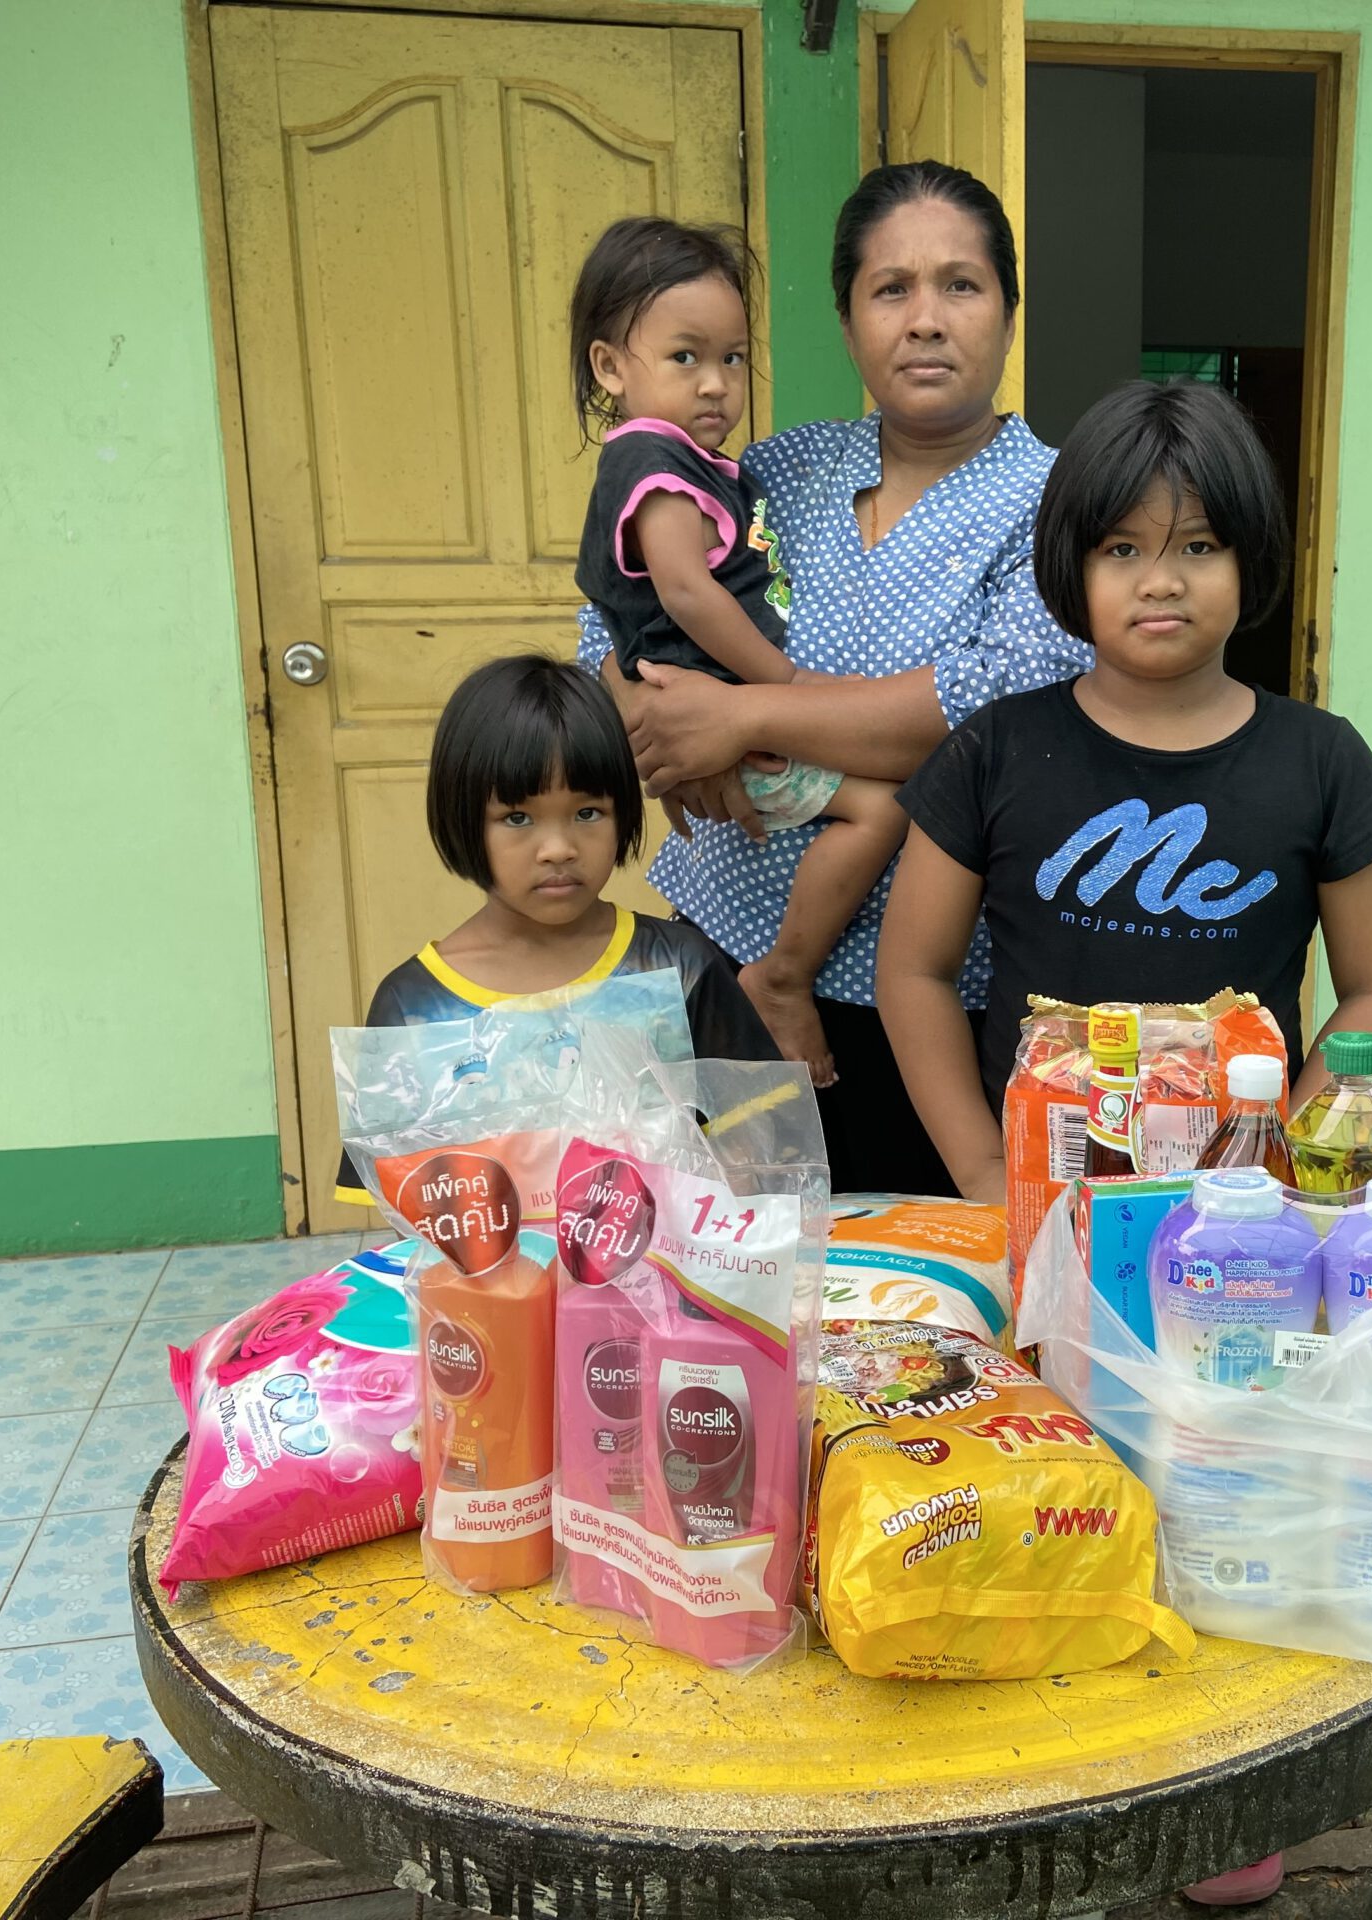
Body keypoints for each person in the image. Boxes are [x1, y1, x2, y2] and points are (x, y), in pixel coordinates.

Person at [584, 160, 1088, 1197]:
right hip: (722, 942)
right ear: (850, 323)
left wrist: (741, 719)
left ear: (1008, 312)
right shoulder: (775, 469)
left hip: (937, 987)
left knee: (917, 1270)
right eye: (889, 289)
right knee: (729, 1252)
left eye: (960, 285)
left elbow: (991, 702)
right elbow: (614, 610)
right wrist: (661, 728)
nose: (925, 320)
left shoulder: (1061, 503)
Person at [877, 380, 1372, 1207]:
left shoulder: (1322, 760)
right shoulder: (993, 751)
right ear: (1070, 564)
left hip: (1237, 1207)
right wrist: (983, 1170)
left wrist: (1284, 1159)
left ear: (1250, 557)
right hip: (1040, 1189)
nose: (1161, 581)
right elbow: (913, 972)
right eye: (1121, 549)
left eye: (1199, 546)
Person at [569, 216, 909, 1088]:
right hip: (723, 731)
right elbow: (683, 593)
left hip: (728, 730)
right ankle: (787, 973)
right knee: (880, 811)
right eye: (685, 357)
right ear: (610, 367)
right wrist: (780, 689)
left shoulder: (700, 464)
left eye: (731, 358)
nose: (717, 384)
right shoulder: (659, 468)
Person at [331, 654, 775, 1210]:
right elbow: (401, 1210)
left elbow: (759, 1154)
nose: (559, 849)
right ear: (461, 819)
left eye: (587, 813)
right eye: (517, 818)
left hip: (665, 1263)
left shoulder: (679, 968)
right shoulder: (413, 1007)